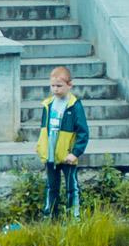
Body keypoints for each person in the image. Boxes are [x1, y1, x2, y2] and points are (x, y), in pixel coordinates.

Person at [36, 63, 90, 219]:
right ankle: (50, 217)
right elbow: (43, 129)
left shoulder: (74, 106)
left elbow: (83, 132)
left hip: (67, 156)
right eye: (52, 86)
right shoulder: (48, 104)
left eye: (59, 86)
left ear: (69, 85)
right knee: (51, 187)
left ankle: (74, 217)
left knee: (71, 187)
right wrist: (40, 146)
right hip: (51, 154)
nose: (55, 89)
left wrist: (75, 153)